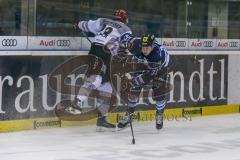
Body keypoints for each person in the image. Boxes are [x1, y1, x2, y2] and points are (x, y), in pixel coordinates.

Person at [69, 9, 132, 131]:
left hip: (98, 50)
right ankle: (77, 103)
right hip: (105, 53)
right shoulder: (126, 29)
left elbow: (87, 25)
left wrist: (77, 24)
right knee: (97, 79)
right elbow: (125, 46)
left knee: (106, 85)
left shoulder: (103, 21)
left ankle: (102, 118)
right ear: (125, 19)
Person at [117, 33, 170, 130]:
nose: (144, 50)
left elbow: (148, 76)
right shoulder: (135, 44)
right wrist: (121, 55)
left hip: (160, 70)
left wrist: (132, 82)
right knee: (133, 91)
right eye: (143, 47)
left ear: (153, 46)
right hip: (143, 65)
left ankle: (159, 114)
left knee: (159, 93)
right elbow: (122, 39)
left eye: (147, 48)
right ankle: (128, 116)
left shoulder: (157, 56)